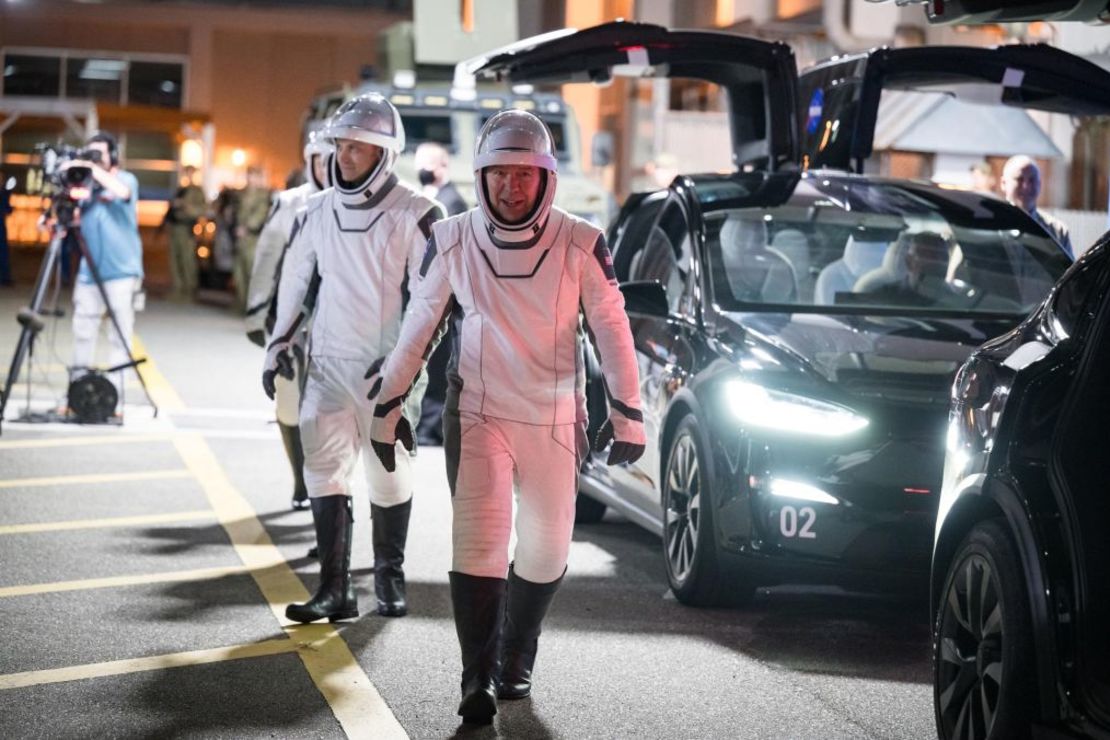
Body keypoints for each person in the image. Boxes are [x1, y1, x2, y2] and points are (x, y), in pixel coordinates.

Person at [367, 109, 645, 724]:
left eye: (524, 174)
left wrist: (629, 412)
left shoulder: (580, 240)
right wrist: (388, 406)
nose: (510, 187)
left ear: (545, 177)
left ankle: (517, 654)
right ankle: (477, 679)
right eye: (499, 174)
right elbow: (418, 330)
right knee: (480, 544)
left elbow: (612, 327)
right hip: (481, 411)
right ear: (481, 175)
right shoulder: (454, 237)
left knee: (545, 552)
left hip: (554, 416)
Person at [263, 93, 443, 622]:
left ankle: (389, 574)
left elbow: (431, 301)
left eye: (358, 148)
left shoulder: (417, 212)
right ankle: (334, 589)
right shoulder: (316, 210)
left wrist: (402, 369)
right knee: (324, 472)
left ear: (385, 152)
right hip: (327, 365)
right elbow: (294, 281)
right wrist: (277, 345)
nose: (345, 156)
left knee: (388, 473)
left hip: (386, 370)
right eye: (340, 145)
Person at [246, 130, 333, 511]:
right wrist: (256, 309)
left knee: (332, 411)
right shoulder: (291, 203)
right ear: (309, 160)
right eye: (322, 158)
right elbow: (266, 256)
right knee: (287, 400)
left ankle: (326, 489)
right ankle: (301, 480)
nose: (330, 166)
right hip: (294, 321)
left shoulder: (360, 205)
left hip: (339, 324)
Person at [64, 132, 143, 407]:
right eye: (90, 154)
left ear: (113, 157)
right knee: (82, 330)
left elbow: (123, 194)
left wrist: (93, 170)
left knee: (119, 333)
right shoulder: (84, 185)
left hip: (121, 272)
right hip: (89, 272)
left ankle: (115, 397)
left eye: (99, 154)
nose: (94, 160)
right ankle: (77, 392)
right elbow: (68, 217)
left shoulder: (124, 179)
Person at [412, 142, 468, 446]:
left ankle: (431, 428)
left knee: (436, 366)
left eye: (427, 164)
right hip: (434, 293)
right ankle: (426, 425)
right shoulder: (437, 197)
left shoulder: (452, 202)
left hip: (446, 296)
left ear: (442, 167)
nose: (422, 170)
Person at [1001, 155, 1073, 258]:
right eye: (1019, 179)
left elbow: (1070, 272)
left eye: (1032, 180)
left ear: (1039, 184)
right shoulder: (988, 226)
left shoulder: (1057, 231)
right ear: (1003, 183)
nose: (1026, 187)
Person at [234, 166, 272, 311]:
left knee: (253, 271)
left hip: (253, 238)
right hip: (240, 238)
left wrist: (247, 227)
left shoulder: (263, 195)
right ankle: (242, 302)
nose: (250, 179)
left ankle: (253, 306)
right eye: (249, 176)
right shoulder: (243, 194)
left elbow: (260, 214)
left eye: (254, 176)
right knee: (239, 271)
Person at [165, 165, 206, 300]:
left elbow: (201, 210)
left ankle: (189, 289)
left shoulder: (197, 191)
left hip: (186, 228)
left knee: (187, 260)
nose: (187, 175)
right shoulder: (180, 189)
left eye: (190, 173)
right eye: (186, 172)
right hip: (175, 228)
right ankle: (178, 288)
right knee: (175, 259)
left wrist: (184, 205)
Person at [414, 142, 468, 217]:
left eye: (428, 163)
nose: (421, 168)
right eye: (419, 163)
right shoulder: (420, 195)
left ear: (443, 165)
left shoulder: (453, 201)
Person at [0, 171, 12, 286]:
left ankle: (5, 277)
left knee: (3, 253)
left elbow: (7, 209)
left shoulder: (4, 193)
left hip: (1, 227)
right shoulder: (4, 193)